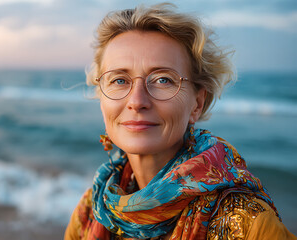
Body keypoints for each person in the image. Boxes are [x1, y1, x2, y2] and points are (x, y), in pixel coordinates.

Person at [64, 3, 296, 240]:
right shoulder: (91, 210)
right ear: (102, 97)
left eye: (163, 80)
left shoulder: (250, 225)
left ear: (196, 104)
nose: (137, 101)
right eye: (119, 80)